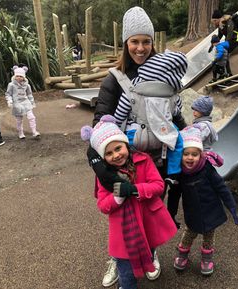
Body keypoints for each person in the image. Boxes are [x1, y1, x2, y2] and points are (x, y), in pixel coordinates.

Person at [86, 6, 186, 287]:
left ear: (153, 43)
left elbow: (174, 114)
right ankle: (119, 258)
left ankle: (150, 251)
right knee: (120, 213)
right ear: (125, 43)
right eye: (135, 41)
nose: (141, 48)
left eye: (146, 41)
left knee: (152, 209)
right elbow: (99, 127)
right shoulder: (114, 80)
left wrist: (191, 137)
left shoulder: (164, 76)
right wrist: (105, 173)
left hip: (158, 157)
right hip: (123, 160)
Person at [81, 115, 177, 289]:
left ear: (125, 144)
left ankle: (149, 260)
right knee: (125, 268)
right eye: (108, 153)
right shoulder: (105, 178)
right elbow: (103, 205)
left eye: (118, 148)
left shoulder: (144, 160)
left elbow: (158, 186)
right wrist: (117, 196)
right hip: (124, 229)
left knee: (150, 245)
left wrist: (135, 190)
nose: (116, 155)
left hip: (148, 218)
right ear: (103, 157)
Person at [173, 125, 238, 275]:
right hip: (192, 212)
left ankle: (207, 258)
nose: (190, 158)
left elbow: (221, 186)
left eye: (194, 154)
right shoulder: (180, 173)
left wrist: (231, 206)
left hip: (211, 210)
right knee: (189, 233)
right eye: (186, 154)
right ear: (180, 155)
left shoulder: (207, 168)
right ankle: (182, 254)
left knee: (209, 235)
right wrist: (171, 213)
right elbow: (174, 195)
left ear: (201, 155)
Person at [113, 51, 187, 177]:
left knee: (130, 155)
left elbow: (119, 116)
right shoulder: (173, 96)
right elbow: (176, 111)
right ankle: (174, 171)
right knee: (178, 142)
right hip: (163, 136)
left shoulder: (132, 92)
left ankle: (128, 173)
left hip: (135, 136)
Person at [5, 65, 40, 139]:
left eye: (21, 76)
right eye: (17, 76)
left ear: (24, 77)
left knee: (31, 117)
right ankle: (21, 132)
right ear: (14, 76)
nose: (19, 78)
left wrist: (32, 102)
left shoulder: (27, 85)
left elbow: (29, 94)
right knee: (19, 120)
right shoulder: (11, 85)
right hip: (17, 103)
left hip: (26, 102)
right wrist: (10, 101)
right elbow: (8, 94)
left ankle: (34, 131)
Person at [210, 10, 238, 77]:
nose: (214, 23)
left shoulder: (228, 21)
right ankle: (228, 73)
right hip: (229, 40)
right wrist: (212, 45)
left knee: (223, 54)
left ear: (218, 19)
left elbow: (230, 34)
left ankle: (225, 73)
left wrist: (225, 44)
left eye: (214, 21)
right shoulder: (221, 25)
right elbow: (219, 36)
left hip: (235, 39)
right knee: (225, 55)